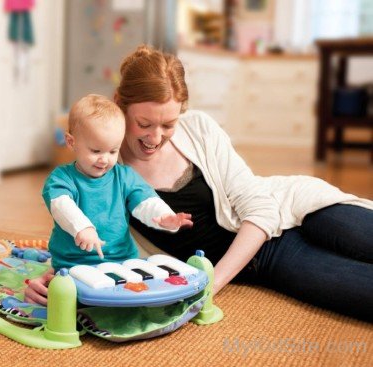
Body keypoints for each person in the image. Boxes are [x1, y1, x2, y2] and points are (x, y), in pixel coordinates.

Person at [27, 46, 373, 322]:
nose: (155, 138)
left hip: (293, 209)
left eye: (168, 124)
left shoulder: (200, 129)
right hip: (270, 258)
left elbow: (261, 208)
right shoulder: (103, 170)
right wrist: (56, 277)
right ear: (121, 104)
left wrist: (210, 284)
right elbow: (92, 239)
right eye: (144, 124)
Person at [30, 94, 192, 304]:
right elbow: (61, 205)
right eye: (96, 150)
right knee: (75, 301)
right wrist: (82, 228)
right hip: (75, 264)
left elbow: (145, 200)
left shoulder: (124, 176)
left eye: (113, 151)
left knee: (145, 296)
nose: (105, 159)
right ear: (72, 142)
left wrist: (164, 217)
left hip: (123, 261)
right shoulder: (61, 179)